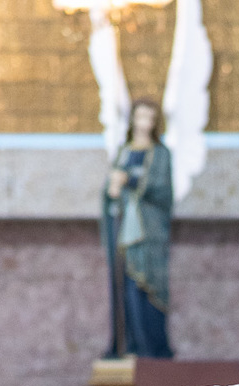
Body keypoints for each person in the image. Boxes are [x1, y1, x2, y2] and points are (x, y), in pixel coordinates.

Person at [101, 97, 174, 360]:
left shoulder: (160, 153)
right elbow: (111, 190)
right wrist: (112, 190)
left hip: (148, 234)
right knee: (126, 289)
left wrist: (130, 180)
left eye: (149, 118)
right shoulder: (124, 151)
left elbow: (162, 191)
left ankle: (152, 350)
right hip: (124, 232)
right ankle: (129, 346)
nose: (143, 123)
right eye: (139, 117)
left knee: (148, 288)